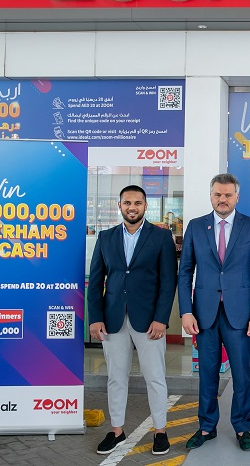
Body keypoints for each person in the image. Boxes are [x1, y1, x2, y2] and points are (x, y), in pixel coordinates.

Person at [178, 173, 250, 452]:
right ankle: (207, 426)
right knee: (207, 374)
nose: (222, 199)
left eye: (228, 195)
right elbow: (185, 273)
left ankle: (242, 427)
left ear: (237, 197)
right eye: (218, 194)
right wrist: (186, 311)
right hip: (203, 314)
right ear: (211, 196)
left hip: (240, 315)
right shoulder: (196, 227)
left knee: (241, 375)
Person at [87, 185, 178, 456]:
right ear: (120, 205)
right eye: (127, 202)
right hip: (113, 319)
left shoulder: (161, 237)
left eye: (137, 202)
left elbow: (168, 281)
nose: (132, 207)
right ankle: (117, 431)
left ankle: (160, 432)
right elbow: (96, 281)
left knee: (155, 377)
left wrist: (161, 319)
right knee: (116, 378)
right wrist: (96, 318)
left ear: (145, 206)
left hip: (149, 321)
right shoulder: (106, 237)